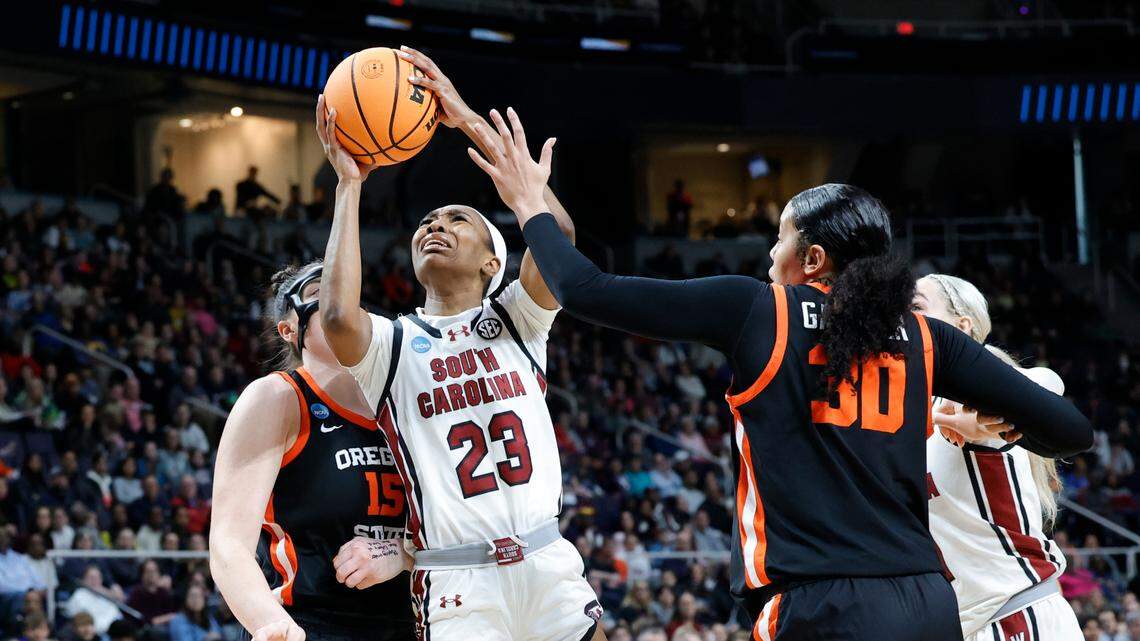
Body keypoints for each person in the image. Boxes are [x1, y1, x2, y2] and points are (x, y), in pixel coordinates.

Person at [466, 111, 1092, 640]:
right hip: (928, 605)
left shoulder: (758, 310)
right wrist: (997, 419)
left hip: (823, 606)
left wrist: (527, 204)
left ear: (811, 257)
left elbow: (584, 287)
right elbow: (1068, 432)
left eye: (779, 240)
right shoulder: (929, 338)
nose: (769, 256)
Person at [317, 45, 604, 641]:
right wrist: (350, 185)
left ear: (492, 261)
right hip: (456, 581)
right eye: (426, 222)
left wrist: (466, 118)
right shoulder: (394, 344)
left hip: (547, 562)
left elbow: (561, 239)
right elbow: (339, 315)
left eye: (456, 219)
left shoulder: (519, 320)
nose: (434, 226)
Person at [210, 262, 414, 641]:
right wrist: (274, 626)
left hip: (416, 623)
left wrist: (401, 552)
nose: (342, 302)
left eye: (350, 292)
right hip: (312, 624)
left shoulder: (408, 403)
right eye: (322, 294)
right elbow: (228, 545)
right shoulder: (277, 398)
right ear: (289, 330)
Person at [913, 274, 1082, 641]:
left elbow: (1046, 381)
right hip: (973, 622)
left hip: (1016, 614)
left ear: (962, 326)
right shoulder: (913, 407)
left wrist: (992, 413)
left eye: (916, 308)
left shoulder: (969, 389)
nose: (903, 320)